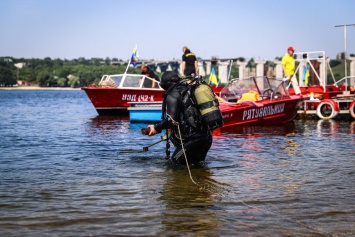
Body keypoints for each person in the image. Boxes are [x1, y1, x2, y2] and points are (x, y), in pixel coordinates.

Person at [145, 71, 212, 165]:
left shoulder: (173, 95)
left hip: (193, 140)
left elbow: (171, 120)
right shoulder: (189, 90)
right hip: (207, 137)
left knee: (175, 162)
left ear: (166, 84)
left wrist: (156, 127)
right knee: (197, 165)